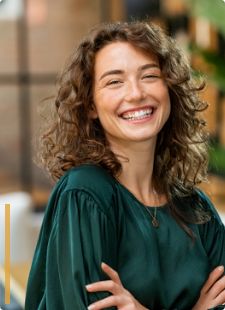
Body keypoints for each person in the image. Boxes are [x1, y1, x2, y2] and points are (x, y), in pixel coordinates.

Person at [25, 21, 225, 310]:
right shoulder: (85, 194)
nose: (135, 93)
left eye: (149, 76)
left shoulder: (195, 207)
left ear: (169, 88)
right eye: (114, 81)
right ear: (90, 105)